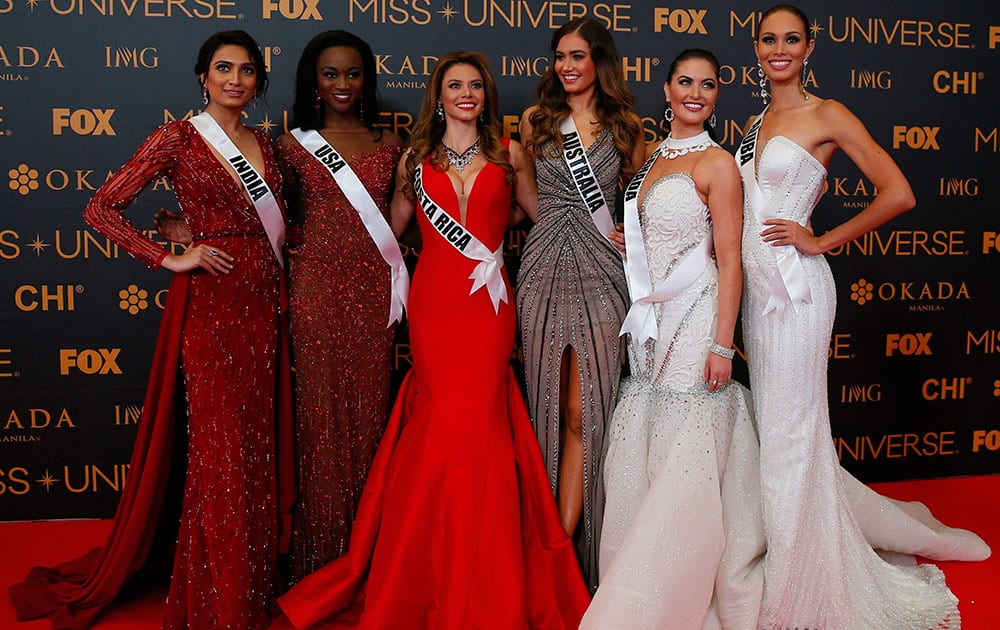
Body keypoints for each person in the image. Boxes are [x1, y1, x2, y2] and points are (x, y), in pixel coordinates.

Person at [275, 51, 590, 629]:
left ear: (486, 95)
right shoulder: (414, 160)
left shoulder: (509, 153)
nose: (465, 94)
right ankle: (423, 568)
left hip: (489, 310)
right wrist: (301, 246)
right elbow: (385, 233)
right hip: (436, 307)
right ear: (438, 96)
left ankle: (486, 566)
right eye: (454, 85)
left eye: (474, 85)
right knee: (442, 423)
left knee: (479, 424)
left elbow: (546, 219)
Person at [9, 30, 291, 629]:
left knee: (255, 447)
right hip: (212, 305)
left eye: (247, 71)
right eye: (223, 69)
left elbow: (274, 224)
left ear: (258, 82)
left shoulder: (268, 143)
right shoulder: (179, 137)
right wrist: (168, 256)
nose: (235, 80)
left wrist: (186, 226)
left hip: (265, 305)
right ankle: (220, 598)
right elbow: (100, 207)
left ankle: (251, 582)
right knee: (222, 452)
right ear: (202, 77)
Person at [740, 5, 990, 628]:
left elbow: (898, 190)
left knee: (795, 436)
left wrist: (823, 240)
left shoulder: (827, 113)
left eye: (790, 39)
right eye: (769, 39)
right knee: (778, 435)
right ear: (756, 47)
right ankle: (794, 559)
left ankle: (798, 588)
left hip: (798, 297)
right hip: (756, 300)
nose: (779, 49)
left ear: (810, 46)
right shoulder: (756, 120)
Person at [580, 49, 763, 630]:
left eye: (708, 86)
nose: (696, 93)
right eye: (685, 82)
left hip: (697, 314)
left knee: (688, 443)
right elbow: (656, 235)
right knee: (650, 439)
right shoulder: (650, 155)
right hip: (651, 320)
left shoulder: (718, 164)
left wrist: (721, 344)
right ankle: (639, 577)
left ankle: (675, 587)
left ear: (716, 97)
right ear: (666, 88)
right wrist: (627, 241)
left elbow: (730, 263)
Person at [515, 16, 645, 592]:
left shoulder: (627, 126)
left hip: (602, 274)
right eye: (560, 56)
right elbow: (525, 199)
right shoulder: (536, 121)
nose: (567, 66)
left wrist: (632, 234)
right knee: (546, 407)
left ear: (599, 62)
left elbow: (648, 196)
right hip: (542, 268)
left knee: (585, 412)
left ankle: (580, 553)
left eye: (578, 56)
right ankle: (549, 549)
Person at [277, 30, 405, 583]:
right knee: (319, 420)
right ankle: (318, 559)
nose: (343, 85)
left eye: (353, 74)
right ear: (314, 80)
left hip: (375, 291)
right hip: (314, 293)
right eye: (331, 74)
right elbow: (264, 218)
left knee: (371, 416)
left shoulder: (391, 144)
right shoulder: (289, 146)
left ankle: (368, 553)